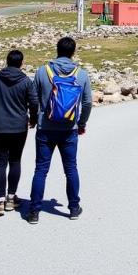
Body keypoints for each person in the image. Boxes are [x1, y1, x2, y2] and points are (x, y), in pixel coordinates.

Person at [27, 36, 92, 225]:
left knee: (41, 169)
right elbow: (87, 102)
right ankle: (73, 208)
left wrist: (35, 118)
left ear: (57, 50)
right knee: (71, 169)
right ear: (73, 52)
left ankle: (34, 211)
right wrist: (81, 123)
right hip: (69, 129)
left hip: (45, 128)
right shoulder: (82, 74)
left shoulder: (42, 71)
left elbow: (33, 99)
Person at [0, 49, 38, 216]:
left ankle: (0, 201)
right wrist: (33, 119)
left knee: (0, 163)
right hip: (19, 127)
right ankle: (11, 198)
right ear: (21, 63)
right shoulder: (26, 81)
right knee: (15, 161)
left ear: (7, 61)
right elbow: (34, 102)